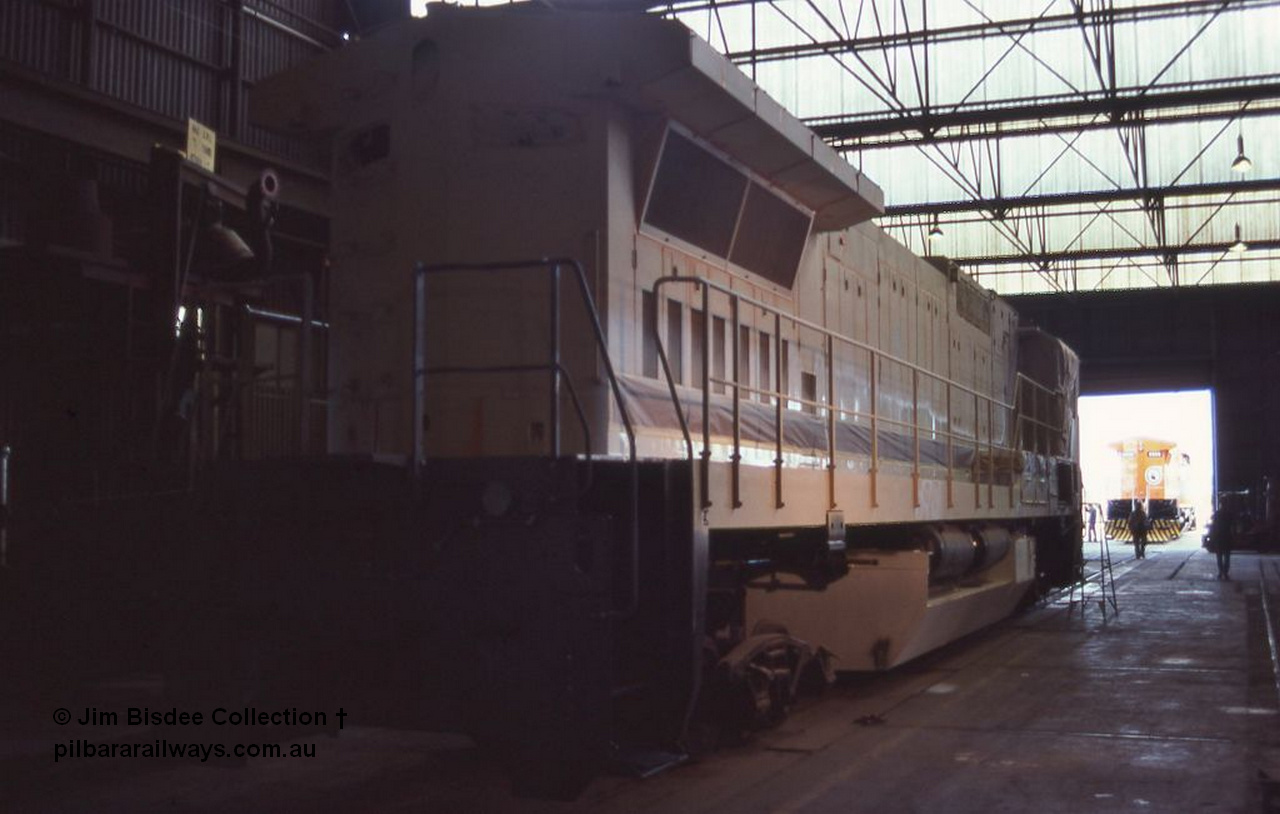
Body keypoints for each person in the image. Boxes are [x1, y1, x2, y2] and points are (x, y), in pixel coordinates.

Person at [1212, 505, 1235, 580]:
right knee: (1227, 556)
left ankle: (1221, 572)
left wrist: (1213, 536)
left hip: (1219, 537)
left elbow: (1214, 526)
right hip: (1227, 537)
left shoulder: (1217, 514)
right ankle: (1225, 573)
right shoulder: (1229, 514)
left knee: (1219, 556)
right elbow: (1232, 526)